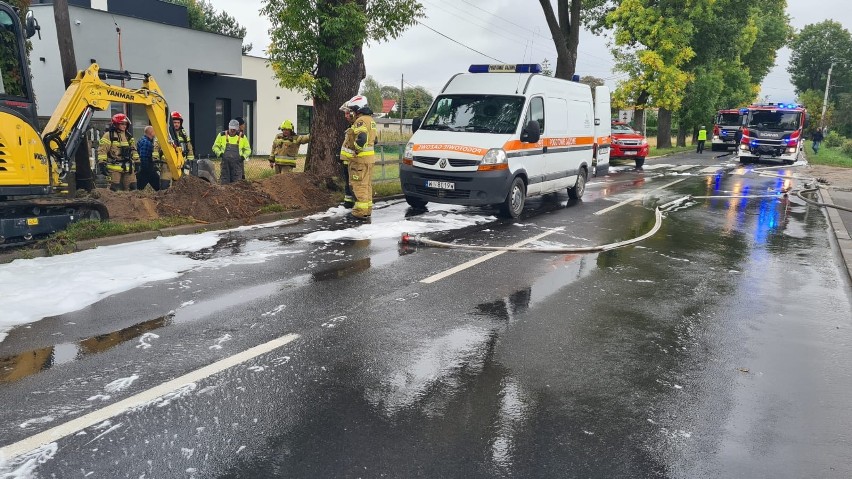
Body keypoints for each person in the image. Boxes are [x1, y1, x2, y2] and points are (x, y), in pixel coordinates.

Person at [340, 95, 377, 219]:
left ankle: (360, 212)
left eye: (352, 109)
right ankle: (367, 209)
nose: (351, 113)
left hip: (359, 161)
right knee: (366, 185)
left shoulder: (360, 121)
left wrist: (355, 151)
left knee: (359, 186)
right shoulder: (370, 120)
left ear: (358, 109)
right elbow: (374, 140)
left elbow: (362, 139)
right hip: (368, 160)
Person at [97, 113, 140, 191]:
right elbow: (102, 150)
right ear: (116, 124)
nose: (124, 126)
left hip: (128, 167)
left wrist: (137, 162)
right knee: (114, 189)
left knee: (132, 188)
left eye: (125, 124)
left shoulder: (128, 136)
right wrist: (102, 163)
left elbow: (133, 150)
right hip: (114, 167)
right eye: (122, 124)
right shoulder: (108, 135)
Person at [156, 111, 195, 190]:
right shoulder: (165, 134)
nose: (176, 124)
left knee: (179, 187)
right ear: (170, 123)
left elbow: (189, 148)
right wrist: (156, 159)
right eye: (174, 122)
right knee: (164, 186)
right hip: (167, 163)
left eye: (178, 122)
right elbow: (156, 147)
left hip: (180, 164)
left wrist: (190, 161)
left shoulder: (183, 134)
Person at [212, 119, 251, 184]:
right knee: (224, 182)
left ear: (237, 129)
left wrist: (243, 157)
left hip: (237, 164)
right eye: (231, 129)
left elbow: (248, 149)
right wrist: (220, 154)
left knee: (237, 183)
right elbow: (215, 147)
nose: (232, 130)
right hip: (225, 164)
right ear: (229, 127)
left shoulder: (242, 137)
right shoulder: (221, 135)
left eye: (234, 129)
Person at [338, 102, 356, 208]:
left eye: (347, 113)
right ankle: (348, 202)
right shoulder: (351, 126)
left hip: (353, 161)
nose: (345, 116)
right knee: (348, 182)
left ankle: (357, 203)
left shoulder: (358, 125)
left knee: (354, 183)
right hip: (347, 160)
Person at [136, 126, 159, 191]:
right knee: (159, 186)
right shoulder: (146, 142)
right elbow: (143, 156)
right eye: (154, 131)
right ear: (151, 132)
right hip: (146, 168)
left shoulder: (142, 139)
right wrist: (147, 169)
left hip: (145, 169)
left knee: (139, 187)